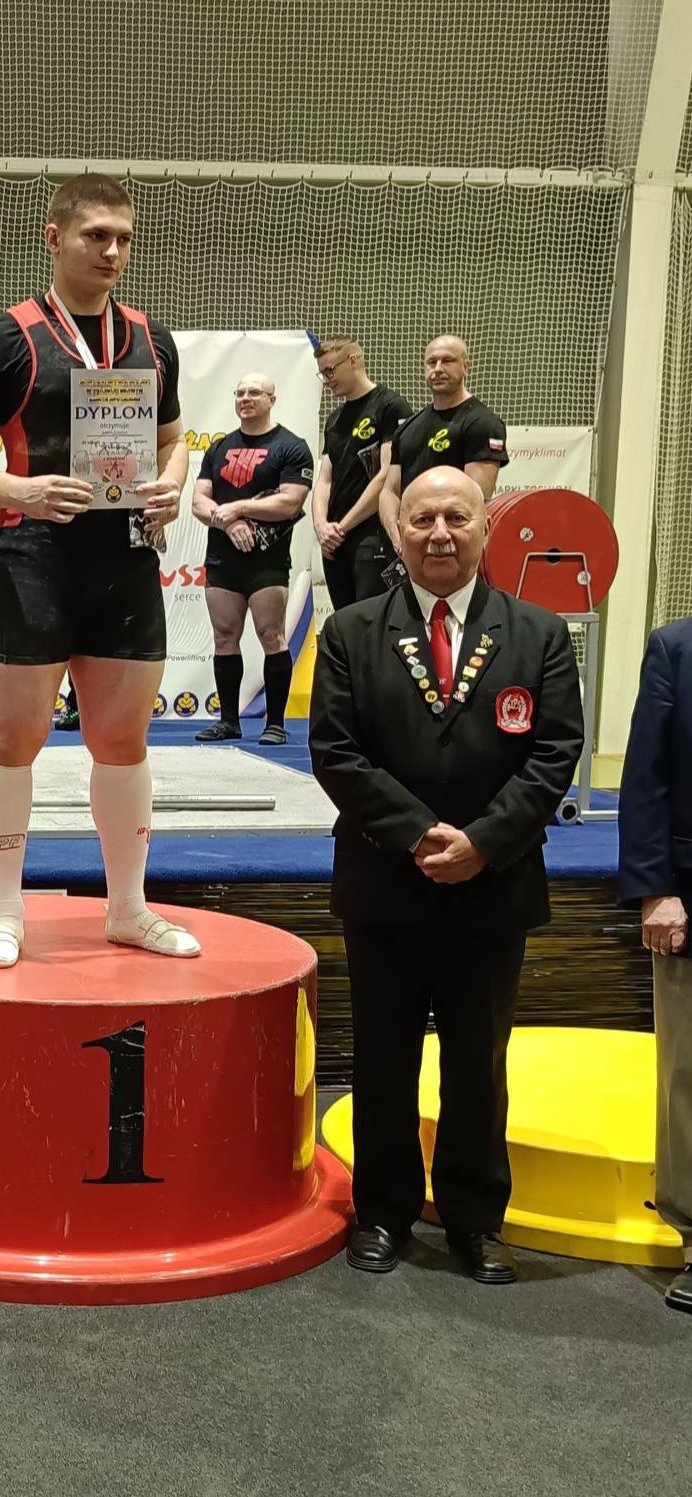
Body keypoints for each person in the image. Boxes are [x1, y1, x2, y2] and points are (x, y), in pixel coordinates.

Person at [310, 467, 582, 1284]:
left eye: (455, 518)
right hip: (384, 881)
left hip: (491, 886)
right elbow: (334, 751)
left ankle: (473, 1220)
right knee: (382, 1057)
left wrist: (481, 842)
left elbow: (553, 754)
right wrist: (416, 835)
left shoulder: (538, 634)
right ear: (398, 532)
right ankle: (383, 1211)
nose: (438, 533)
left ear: (484, 528)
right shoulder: (349, 631)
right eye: (422, 518)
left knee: (476, 1064)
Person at [0, 172, 196, 966]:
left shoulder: (151, 339)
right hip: (33, 559)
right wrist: (21, 491)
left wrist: (171, 485)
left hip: (125, 558)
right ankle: (4, 912)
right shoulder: (3, 339)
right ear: (54, 237)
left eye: (124, 239)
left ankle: (127, 908)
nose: (112, 252)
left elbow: (174, 440)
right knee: (12, 738)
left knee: (121, 739)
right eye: (95, 236)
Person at [618, 617, 692, 1313]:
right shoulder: (677, 648)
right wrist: (655, 890)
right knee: (687, 1076)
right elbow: (645, 778)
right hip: (689, 898)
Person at [191, 373, 313, 746]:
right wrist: (227, 523)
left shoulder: (291, 447)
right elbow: (199, 501)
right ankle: (228, 721)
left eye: (255, 392)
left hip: (266, 561)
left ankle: (274, 723)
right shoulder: (219, 448)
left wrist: (238, 509)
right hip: (223, 558)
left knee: (271, 634)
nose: (246, 398)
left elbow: (290, 501)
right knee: (224, 636)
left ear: (272, 399)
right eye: (240, 392)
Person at [380, 335, 506, 558]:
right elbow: (390, 491)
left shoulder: (482, 423)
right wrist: (398, 537)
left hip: (450, 550)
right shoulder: (407, 428)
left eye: (447, 361)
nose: (438, 369)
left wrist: (436, 535)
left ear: (465, 367)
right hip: (409, 549)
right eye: (432, 362)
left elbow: (473, 498)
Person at [312, 336, 412, 607]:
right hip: (334, 543)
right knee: (344, 622)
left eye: (330, 371)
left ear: (354, 360)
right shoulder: (334, 419)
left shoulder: (390, 406)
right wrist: (322, 526)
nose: (327, 380)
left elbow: (387, 475)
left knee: (372, 620)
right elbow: (324, 480)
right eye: (322, 374)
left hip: (372, 536)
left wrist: (342, 527)